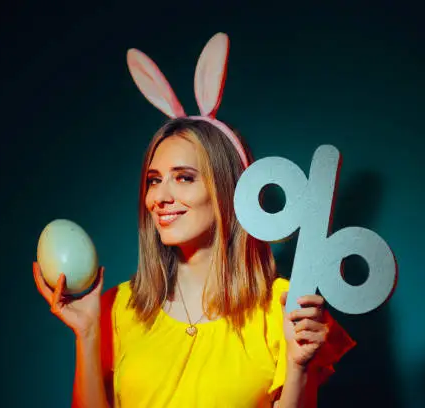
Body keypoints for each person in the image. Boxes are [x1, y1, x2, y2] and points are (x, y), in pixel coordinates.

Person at [33, 33, 356, 408]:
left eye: (184, 177)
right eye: (154, 180)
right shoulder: (116, 308)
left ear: (227, 188)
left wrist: (299, 369)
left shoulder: (281, 307)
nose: (160, 197)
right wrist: (88, 333)